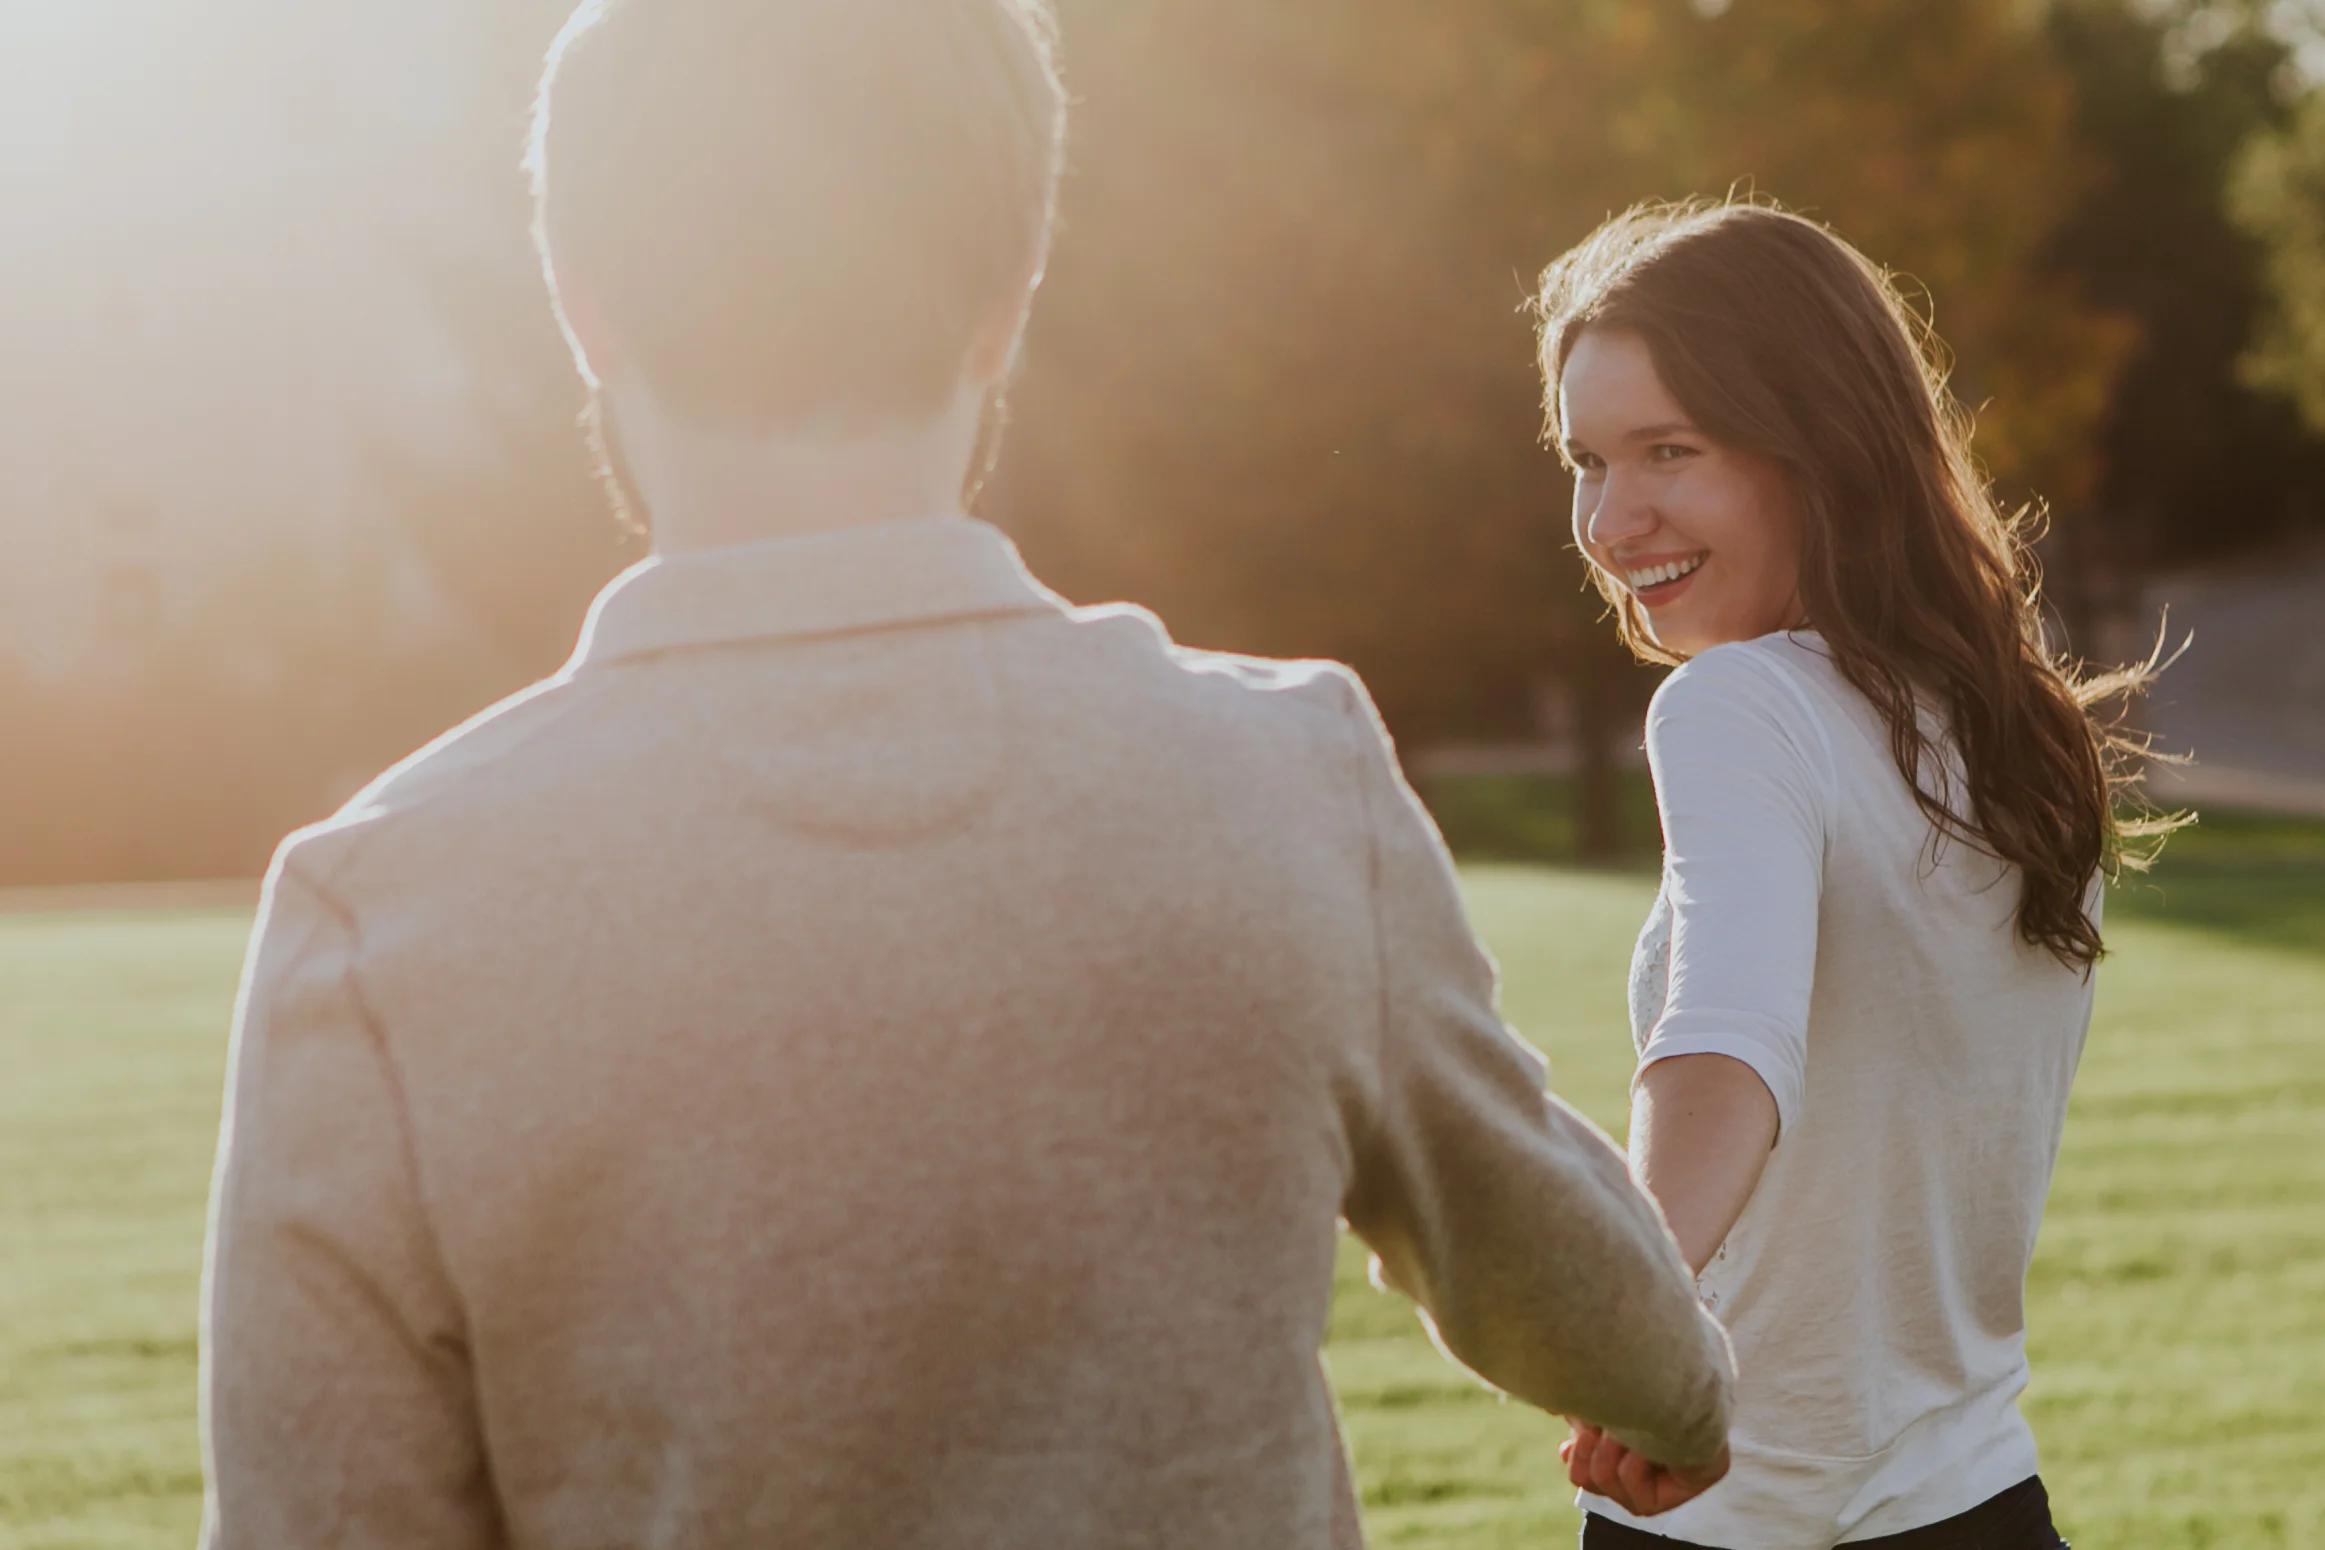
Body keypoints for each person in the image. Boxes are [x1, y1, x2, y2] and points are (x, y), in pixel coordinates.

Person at [196, 5, 1738, 1546]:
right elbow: (1599, 1306)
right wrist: (1685, 1399)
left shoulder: (376, 909)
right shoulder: (1281, 778)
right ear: (1005, 306)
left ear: (582, 308)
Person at [1534, 200, 2173, 1549]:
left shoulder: (1737, 708)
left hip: (1718, 1507)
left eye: (1670, 450)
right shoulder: (2025, 729)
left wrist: (1639, 1328)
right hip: (1980, 1503)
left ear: (1816, 447)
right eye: (1589, 458)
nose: (1612, 515)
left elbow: (1727, 1035)